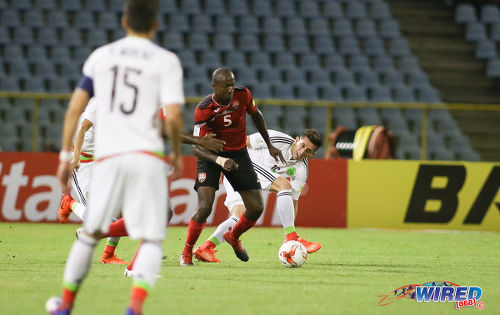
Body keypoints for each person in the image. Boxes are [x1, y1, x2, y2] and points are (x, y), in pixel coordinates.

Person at [51, 1, 184, 315]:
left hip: (109, 157)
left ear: (124, 21)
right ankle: (134, 308)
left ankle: (66, 305)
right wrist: (177, 151)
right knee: (152, 236)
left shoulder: (102, 56)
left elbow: (74, 109)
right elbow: (175, 116)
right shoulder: (166, 61)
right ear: (155, 24)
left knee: (89, 234)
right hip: (147, 156)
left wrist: (63, 155)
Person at [179, 67, 285, 266]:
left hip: (238, 153)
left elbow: (257, 115)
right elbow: (195, 148)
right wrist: (219, 160)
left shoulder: (242, 95)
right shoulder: (204, 108)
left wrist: (269, 144)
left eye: (232, 83)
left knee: (256, 207)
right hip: (210, 155)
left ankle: (233, 236)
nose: (230, 88)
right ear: (214, 86)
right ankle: (186, 251)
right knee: (204, 207)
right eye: (226, 85)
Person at [193, 129, 323, 263]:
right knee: (284, 185)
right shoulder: (276, 138)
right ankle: (291, 237)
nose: (301, 152)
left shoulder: (301, 170)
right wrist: (222, 160)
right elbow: (244, 141)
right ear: (296, 140)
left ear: (313, 154)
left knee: (240, 216)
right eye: (302, 145)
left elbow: (293, 202)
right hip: (241, 165)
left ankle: (206, 248)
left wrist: (291, 227)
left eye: (308, 151)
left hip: (244, 178)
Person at [57, 97, 128, 265]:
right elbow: (82, 128)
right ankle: (68, 203)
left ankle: (108, 255)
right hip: (83, 164)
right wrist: (75, 158)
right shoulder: (100, 102)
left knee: (120, 212)